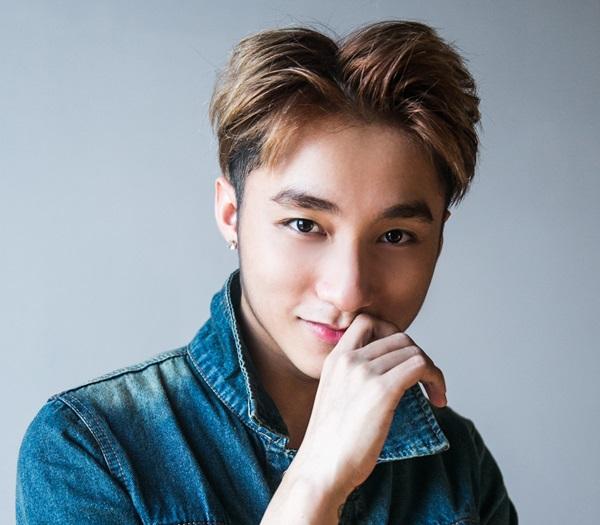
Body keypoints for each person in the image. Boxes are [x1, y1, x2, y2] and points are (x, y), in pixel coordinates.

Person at [16, 20, 518, 524]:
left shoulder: (458, 463)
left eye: (395, 236)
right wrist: (316, 480)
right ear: (230, 214)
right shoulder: (91, 446)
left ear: (439, 239)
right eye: (305, 225)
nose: (348, 290)